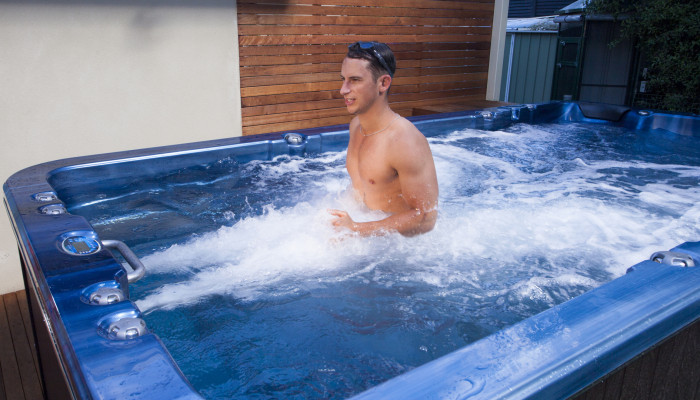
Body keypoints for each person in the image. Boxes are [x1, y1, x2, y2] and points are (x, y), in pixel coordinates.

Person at [328, 41, 438, 237]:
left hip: (398, 248)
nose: (343, 90)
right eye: (343, 79)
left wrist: (357, 229)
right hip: (368, 227)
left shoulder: (404, 140)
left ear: (383, 83)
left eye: (354, 80)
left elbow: (426, 218)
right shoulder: (356, 126)